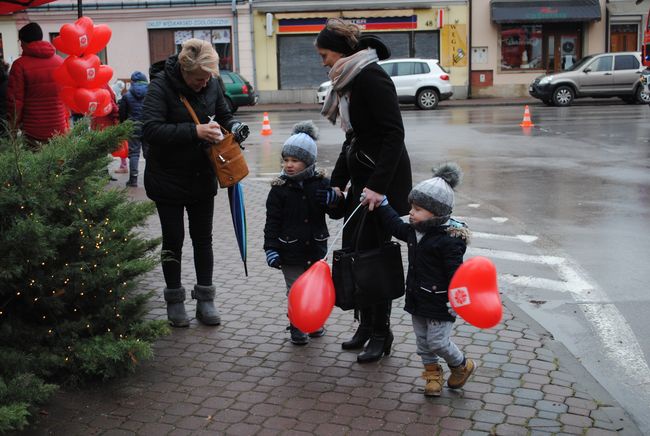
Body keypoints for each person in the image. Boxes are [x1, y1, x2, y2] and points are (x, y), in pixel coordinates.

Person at [316, 18, 412, 363]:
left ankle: (381, 334)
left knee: (372, 258)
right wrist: (337, 183)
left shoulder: (371, 78)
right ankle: (365, 325)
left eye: (325, 54)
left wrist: (376, 188)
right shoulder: (349, 81)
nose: (323, 62)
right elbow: (352, 139)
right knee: (356, 252)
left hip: (380, 185)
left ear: (341, 52)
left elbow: (393, 135)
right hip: (363, 181)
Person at [142, 38, 250, 328]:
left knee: (203, 239)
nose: (204, 84)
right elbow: (150, 129)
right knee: (173, 239)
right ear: (185, 71)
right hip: (167, 177)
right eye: (199, 79)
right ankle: (174, 301)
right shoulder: (160, 86)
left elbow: (224, 116)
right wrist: (195, 131)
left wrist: (235, 129)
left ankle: (205, 299)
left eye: (208, 79)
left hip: (202, 175)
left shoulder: (211, 83)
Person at [375, 163, 475, 396]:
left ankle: (461, 364)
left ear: (436, 213)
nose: (411, 212)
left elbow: (457, 275)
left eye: (418, 209)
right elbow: (395, 226)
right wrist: (383, 204)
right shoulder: (414, 230)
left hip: (441, 303)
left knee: (438, 342)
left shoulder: (450, 241)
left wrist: (457, 302)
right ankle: (433, 376)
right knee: (423, 343)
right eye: (412, 207)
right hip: (418, 298)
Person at [263, 121, 342, 345]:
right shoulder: (279, 189)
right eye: (286, 160)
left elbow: (335, 213)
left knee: (314, 289)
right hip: (289, 251)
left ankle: (314, 321)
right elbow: (272, 222)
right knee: (295, 289)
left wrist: (334, 200)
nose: (289, 165)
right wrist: (270, 248)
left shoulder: (321, 184)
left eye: (295, 160)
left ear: (308, 162)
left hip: (316, 249)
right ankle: (298, 326)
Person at [6, 22, 68, 146]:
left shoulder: (20, 65)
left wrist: (11, 129)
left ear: (23, 41)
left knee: (34, 165)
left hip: (33, 133)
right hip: (59, 129)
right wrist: (65, 123)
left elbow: (15, 102)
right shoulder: (60, 62)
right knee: (58, 164)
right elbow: (65, 97)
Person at [119, 71, 149, 187]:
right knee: (149, 153)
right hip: (148, 126)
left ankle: (133, 180)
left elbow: (122, 113)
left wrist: (123, 125)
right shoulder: (151, 93)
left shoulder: (127, 95)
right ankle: (150, 179)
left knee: (134, 153)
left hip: (133, 126)